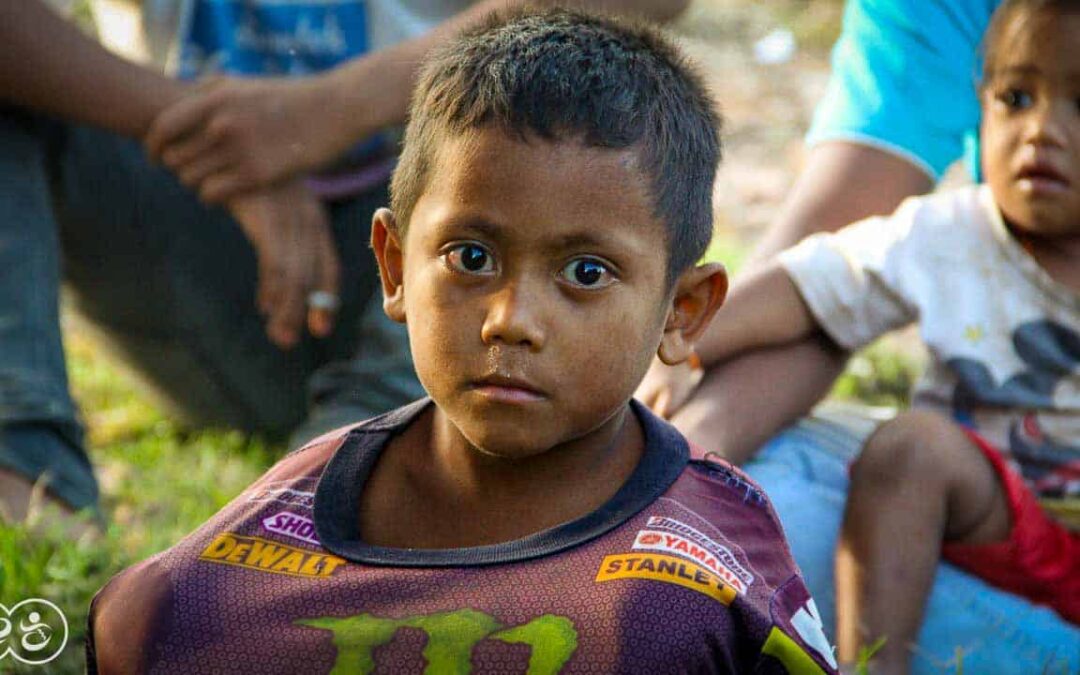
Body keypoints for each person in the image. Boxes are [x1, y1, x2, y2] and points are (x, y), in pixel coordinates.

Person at [86, 10, 840, 673]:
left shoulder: (700, 584)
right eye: (471, 258)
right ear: (394, 267)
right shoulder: (254, 555)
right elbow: (146, 621)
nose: (511, 319)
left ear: (682, 311)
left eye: (586, 271)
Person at [0, 0, 684, 525]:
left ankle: (341, 473)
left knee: (604, 160)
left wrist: (325, 112)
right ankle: (26, 473)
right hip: (186, 222)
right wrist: (212, 137)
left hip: (429, 196)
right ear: (393, 262)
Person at [636, 0, 1080, 671]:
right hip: (993, 523)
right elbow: (812, 286)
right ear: (979, 103)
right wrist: (674, 336)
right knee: (909, 449)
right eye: (1017, 97)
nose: (1041, 130)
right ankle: (872, 662)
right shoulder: (953, 234)